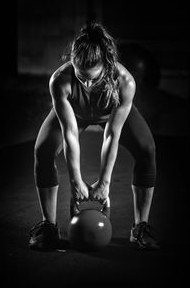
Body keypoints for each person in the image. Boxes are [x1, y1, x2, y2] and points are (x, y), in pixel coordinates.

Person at [29, 22, 160, 251]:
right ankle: (48, 226)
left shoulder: (124, 82)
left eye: (94, 79)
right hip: (75, 114)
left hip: (110, 114)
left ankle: (140, 227)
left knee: (147, 149)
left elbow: (112, 134)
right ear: (72, 63)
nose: (87, 84)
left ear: (106, 65)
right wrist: (76, 181)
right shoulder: (60, 80)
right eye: (81, 77)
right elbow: (70, 133)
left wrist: (104, 184)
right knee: (43, 150)